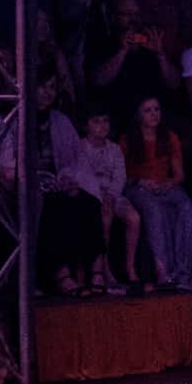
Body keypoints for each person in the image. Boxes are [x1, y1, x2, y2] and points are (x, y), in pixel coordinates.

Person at [0, 75, 105, 297]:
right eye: (42, 86)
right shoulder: (13, 120)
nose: (47, 93)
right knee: (54, 207)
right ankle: (61, 275)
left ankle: (97, 272)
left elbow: (75, 160)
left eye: (52, 87)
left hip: (57, 184)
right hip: (26, 187)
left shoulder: (60, 121)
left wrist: (69, 179)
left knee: (89, 202)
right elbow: (5, 163)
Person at [121, 96, 192, 290]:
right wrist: (141, 182)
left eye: (156, 109)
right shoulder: (127, 140)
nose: (154, 114)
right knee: (153, 208)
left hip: (163, 186)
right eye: (148, 110)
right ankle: (163, 272)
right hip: (137, 187)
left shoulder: (169, 137)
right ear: (138, 115)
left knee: (184, 202)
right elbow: (121, 177)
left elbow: (179, 175)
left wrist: (167, 184)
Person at [70, 107, 140, 293]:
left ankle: (130, 266)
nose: (102, 126)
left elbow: (120, 176)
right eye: (96, 121)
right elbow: (81, 175)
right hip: (90, 196)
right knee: (105, 217)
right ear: (86, 125)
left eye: (105, 121)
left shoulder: (114, 149)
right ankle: (102, 268)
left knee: (133, 218)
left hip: (112, 194)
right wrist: (100, 197)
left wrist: (111, 194)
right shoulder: (80, 147)